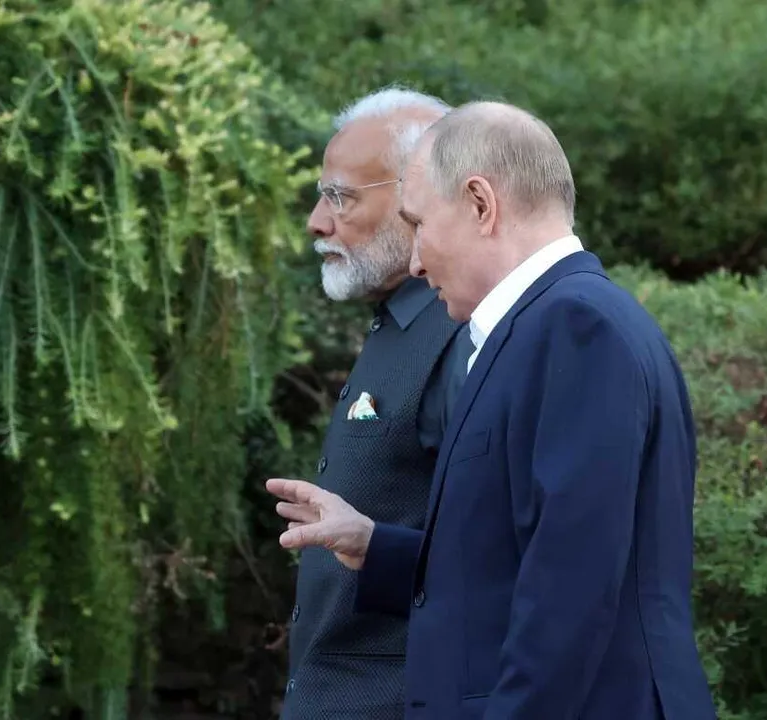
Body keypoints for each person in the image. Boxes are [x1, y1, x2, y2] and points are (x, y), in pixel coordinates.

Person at [267, 100, 717, 720]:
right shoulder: (540, 327)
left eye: (420, 224)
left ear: (481, 205)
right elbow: (509, 567)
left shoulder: (575, 328)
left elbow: (570, 599)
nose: (417, 261)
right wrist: (375, 546)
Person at [277, 87, 475, 720]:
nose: (316, 220)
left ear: (418, 191)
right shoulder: (401, 320)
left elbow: (495, 560)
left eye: (340, 195)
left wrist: (370, 542)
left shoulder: (461, 331)